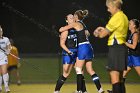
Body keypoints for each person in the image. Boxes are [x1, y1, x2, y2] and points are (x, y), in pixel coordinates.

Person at [59, 10, 104, 93]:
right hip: (89, 46)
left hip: (82, 47)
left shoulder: (75, 24)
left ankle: (79, 90)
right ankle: (100, 89)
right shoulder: (83, 24)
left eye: (73, 17)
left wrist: (61, 30)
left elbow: (61, 29)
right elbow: (87, 34)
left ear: (76, 17)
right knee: (90, 70)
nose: (73, 18)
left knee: (78, 69)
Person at [93, 0, 128, 93]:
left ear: (114, 7)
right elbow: (116, 32)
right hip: (122, 48)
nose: (108, 10)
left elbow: (102, 35)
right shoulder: (124, 16)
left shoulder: (116, 17)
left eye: (109, 7)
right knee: (120, 80)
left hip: (116, 48)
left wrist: (98, 32)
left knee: (114, 78)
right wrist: (104, 29)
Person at [54, 14, 88, 93]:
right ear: (66, 20)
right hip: (68, 53)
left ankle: (83, 90)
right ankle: (56, 90)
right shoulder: (65, 30)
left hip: (78, 52)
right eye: (70, 18)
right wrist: (69, 51)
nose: (72, 19)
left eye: (73, 17)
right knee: (66, 73)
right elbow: (62, 44)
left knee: (80, 71)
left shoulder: (77, 28)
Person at [0, 25, 11, 92]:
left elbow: (9, 47)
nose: (0, 32)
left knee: (4, 72)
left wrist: (8, 51)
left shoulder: (6, 39)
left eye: (0, 31)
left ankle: (6, 87)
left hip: (4, 57)